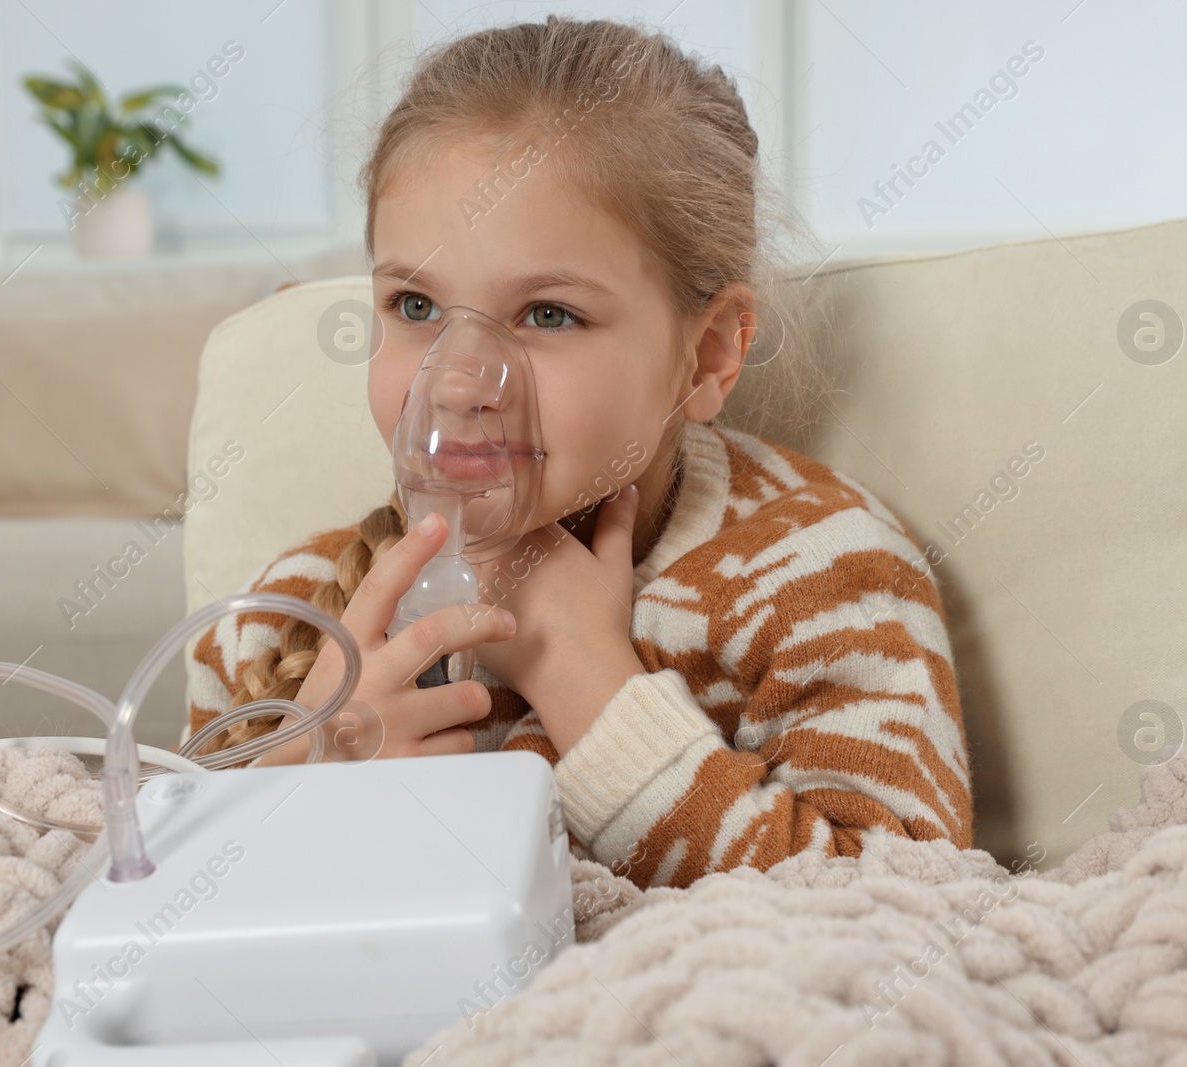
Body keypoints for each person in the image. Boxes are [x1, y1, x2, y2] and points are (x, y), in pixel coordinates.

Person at [186, 15, 972, 891]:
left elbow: (913, 912)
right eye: (414, 307)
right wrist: (304, 776)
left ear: (708, 353)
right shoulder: (284, 618)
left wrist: (586, 684)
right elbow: (174, 926)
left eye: (548, 314)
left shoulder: (822, 581)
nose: (457, 383)